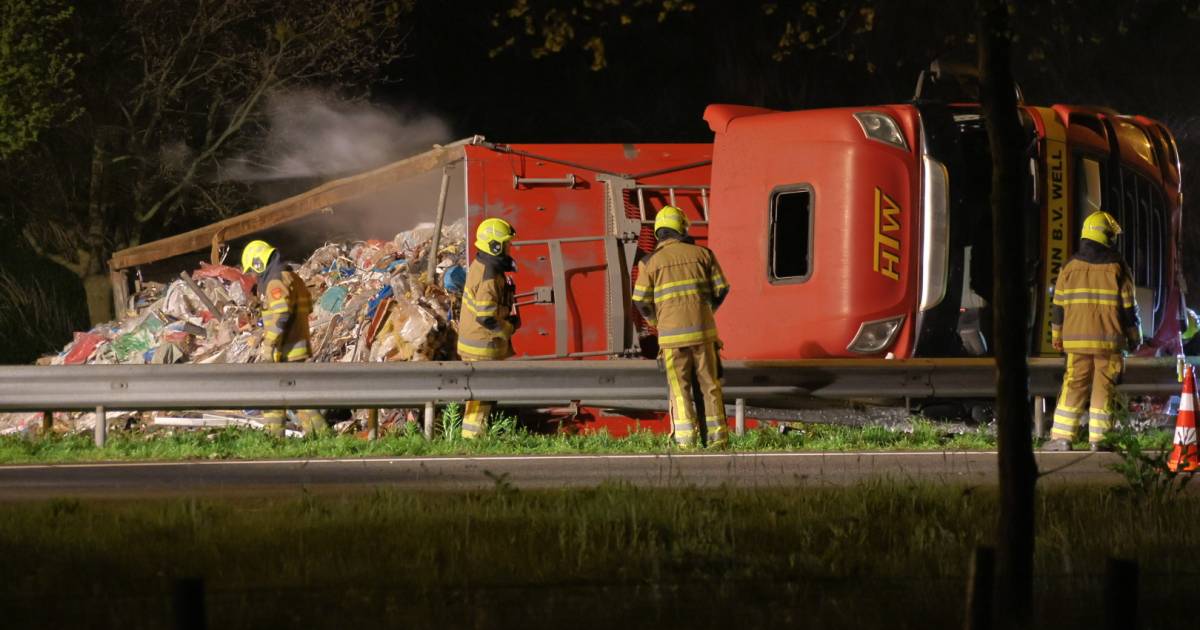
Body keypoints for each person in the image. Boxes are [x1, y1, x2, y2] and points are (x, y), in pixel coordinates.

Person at [632, 206, 731, 449]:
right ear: (682, 228)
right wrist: (707, 312)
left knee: (680, 388)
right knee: (710, 386)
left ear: (658, 233)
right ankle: (717, 440)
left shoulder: (649, 262)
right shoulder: (703, 254)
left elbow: (640, 300)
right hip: (703, 334)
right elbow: (721, 289)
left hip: (671, 340)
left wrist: (658, 322)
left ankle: (686, 441)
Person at [1045, 211, 1142, 451]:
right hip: (1109, 342)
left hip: (1076, 342)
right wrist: (1134, 338)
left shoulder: (1069, 267)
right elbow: (1130, 310)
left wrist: (1056, 337)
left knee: (1074, 384)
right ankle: (1099, 440)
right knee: (1103, 387)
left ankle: (1061, 438)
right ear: (1108, 237)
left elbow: (1058, 308)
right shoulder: (1118, 268)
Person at [241, 239, 327, 437]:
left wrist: (270, 344)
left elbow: (282, 314)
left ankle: (274, 439)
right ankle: (322, 436)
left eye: (253, 270)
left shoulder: (276, 282)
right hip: (298, 347)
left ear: (258, 262)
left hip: (284, 350)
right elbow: (308, 307)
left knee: (272, 398)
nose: (254, 276)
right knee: (300, 400)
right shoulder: (292, 277)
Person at [456, 218, 519, 438]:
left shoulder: (483, 265)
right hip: (482, 346)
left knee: (479, 396)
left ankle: (474, 436)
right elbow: (486, 317)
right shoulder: (489, 275)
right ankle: (472, 439)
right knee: (480, 397)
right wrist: (508, 328)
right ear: (495, 245)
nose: (510, 248)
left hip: (477, 344)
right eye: (506, 244)